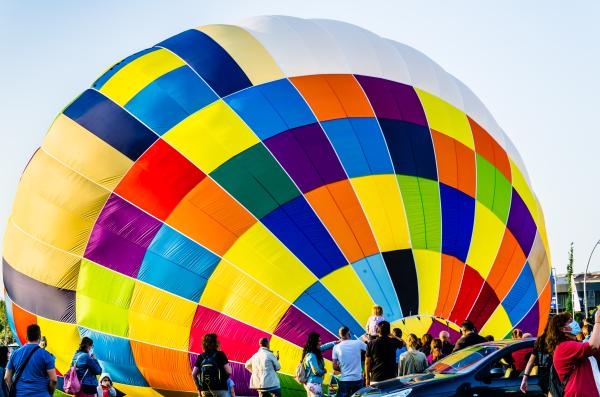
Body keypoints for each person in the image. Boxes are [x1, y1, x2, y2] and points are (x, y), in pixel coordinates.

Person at [546, 310, 600, 397]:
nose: (574, 323)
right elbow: (593, 346)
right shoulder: (563, 347)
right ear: (563, 329)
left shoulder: (578, 344)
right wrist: (598, 322)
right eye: (570, 321)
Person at [4, 324, 57, 397]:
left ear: (27, 337)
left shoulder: (15, 354)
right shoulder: (46, 355)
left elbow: (7, 377)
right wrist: (49, 393)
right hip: (42, 394)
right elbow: (54, 380)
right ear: (39, 337)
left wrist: (13, 390)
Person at [331, 326, 367, 397]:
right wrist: (367, 339)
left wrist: (344, 370)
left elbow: (334, 366)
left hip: (344, 380)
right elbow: (371, 349)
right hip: (358, 379)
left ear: (339, 335)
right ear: (349, 333)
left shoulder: (336, 347)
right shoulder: (358, 343)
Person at [520, 324, 552, 395]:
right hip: (553, 379)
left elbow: (530, 361)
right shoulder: (556, 342)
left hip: (543, 378)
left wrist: (524, 379)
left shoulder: (539, 341)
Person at [301, 332, 327, 397]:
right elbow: (316, 371)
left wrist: (335, 343)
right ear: (314, 342)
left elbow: (324, 347)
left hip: (311, 384)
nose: (321, 343)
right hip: (314, 384)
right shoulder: (312, 355)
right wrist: (324, 371)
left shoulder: (310, 353)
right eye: (319, 341)